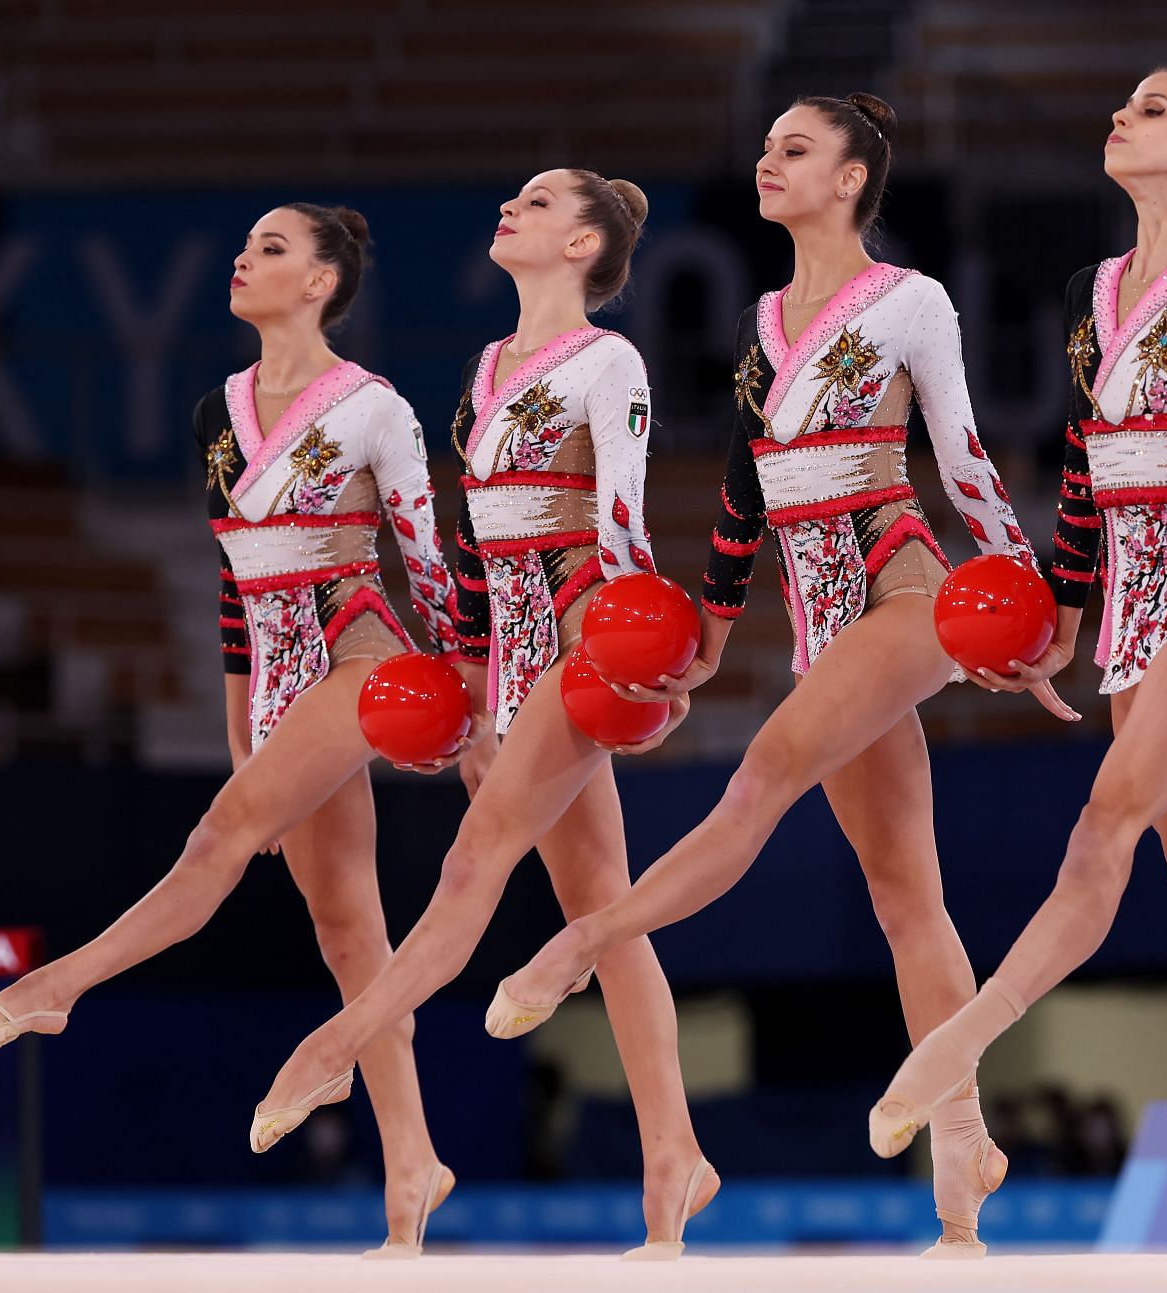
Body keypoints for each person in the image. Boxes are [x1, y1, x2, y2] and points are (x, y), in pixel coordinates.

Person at [484, 92, 1066, 1257]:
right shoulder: (761, 323)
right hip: (817, 615)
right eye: (765, 149)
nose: (768, 163)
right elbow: (747, 493)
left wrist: (1023, 604)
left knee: (761, 780)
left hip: (902, 584)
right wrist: (707, 624)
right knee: (906, 895)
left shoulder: (910, 302)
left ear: (851, 179)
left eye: (795, 150)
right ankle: (966, 1163)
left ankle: (579, 949)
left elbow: (958, 450)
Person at [866, 69, 1167, 1257]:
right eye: (1123, 105)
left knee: (1101, 830)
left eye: (1157, 110)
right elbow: (1083, 462)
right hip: (1130, 592)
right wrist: (1068, 609)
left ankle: (959, 1044)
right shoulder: (1095, 288)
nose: (1125, 117)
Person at [0, 203, 459, 1257]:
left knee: (211, 844)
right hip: (278, 682)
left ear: (321, 282)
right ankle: (414, 1164)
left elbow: (428, 565)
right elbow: (235, 596)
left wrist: (463, 702)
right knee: (348, 934)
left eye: (271, 248)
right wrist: (248, 751)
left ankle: (56, 989)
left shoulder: (374, 407)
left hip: (360, 653)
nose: (243, 257)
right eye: (245, 245)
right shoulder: (218, 412)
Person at [249, 172, 718, 1260]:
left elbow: (622, 520)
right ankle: (675, 1154)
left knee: (474, 865)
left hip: (582, 631)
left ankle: (332, 1050)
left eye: (542, 203)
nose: (512, 208)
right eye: (513, 198)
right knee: (600, 898)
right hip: (509, 649)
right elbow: (463, 547)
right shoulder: (484, 370)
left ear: (585, 243)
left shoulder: (612, 361)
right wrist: (469, 683)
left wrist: (638, 657)